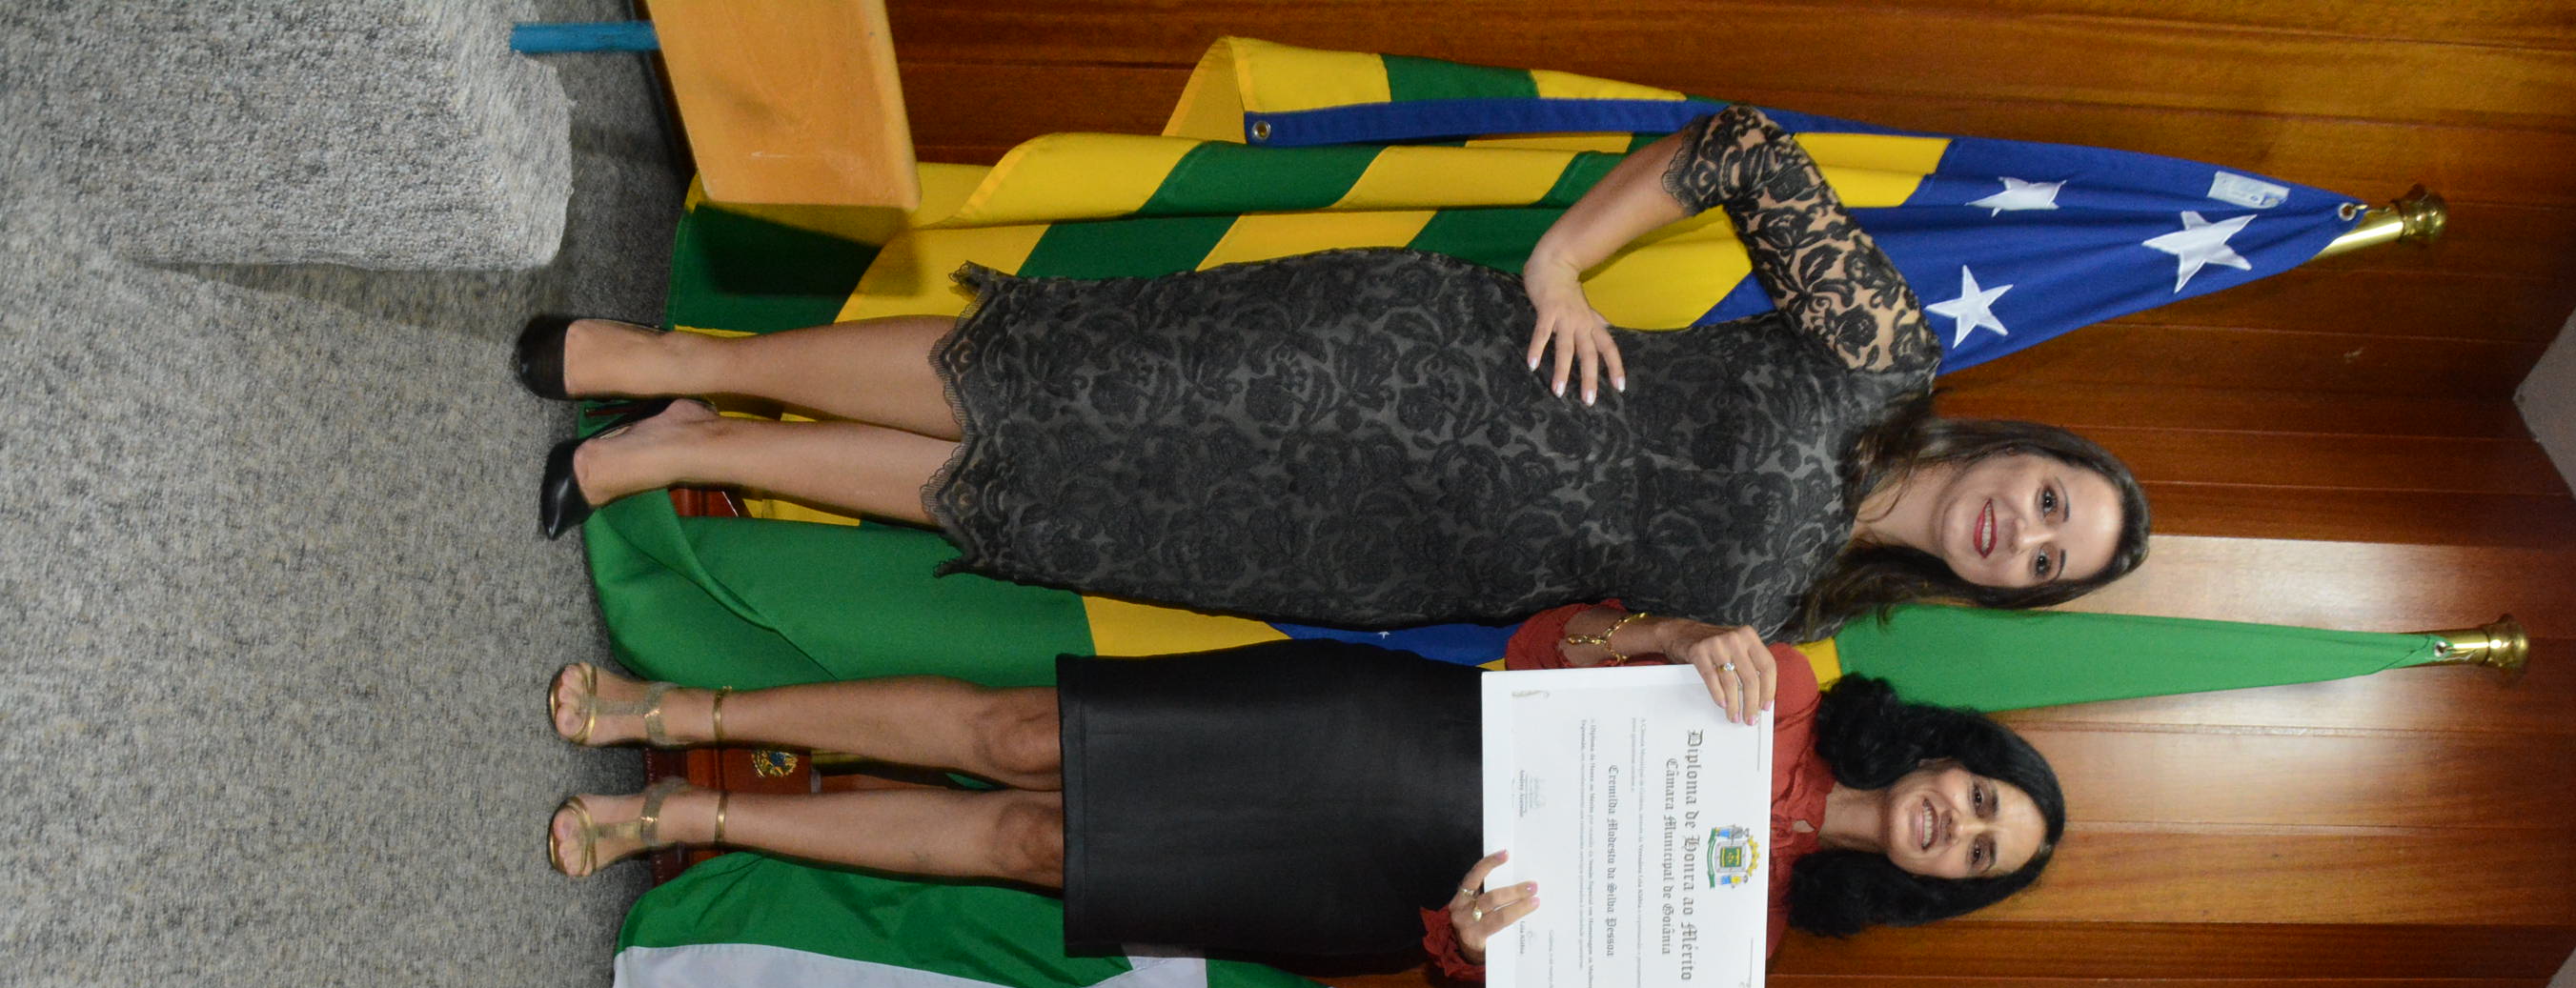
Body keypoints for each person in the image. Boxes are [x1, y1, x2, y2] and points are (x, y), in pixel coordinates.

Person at [519, 104, 2147, 634]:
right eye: (2052, 501)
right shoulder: (1882, 354)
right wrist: (1562, 264)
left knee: (1045, 503)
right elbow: (1740, 148)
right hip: (1402, 365)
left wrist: (1661, 661)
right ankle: (679, 353)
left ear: (2005, 591)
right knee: (1053, 380)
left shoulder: (1798, 624)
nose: (2023, 530)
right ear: (2029, 453)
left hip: (1385, 553)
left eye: (2047, 561)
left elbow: (1576, 658)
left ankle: (687, 445)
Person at [538, 604, 2065, 962]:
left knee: (1031, 845)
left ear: (1941, 886)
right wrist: (1663, 638)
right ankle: (687, 706)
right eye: (1984, 799)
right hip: (1376, 734)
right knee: (1020, 736)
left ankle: (692, 814)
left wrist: (1471, 943)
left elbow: (1501, 983)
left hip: (1370, 885)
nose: (1960, 827)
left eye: (1978, 856)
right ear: (1955, 753)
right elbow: (1545, 642)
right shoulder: (1776, 679)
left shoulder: (1741, 950)